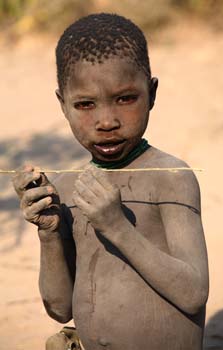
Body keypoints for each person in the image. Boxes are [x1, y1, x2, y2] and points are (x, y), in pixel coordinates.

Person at [12, 13, 209, 350]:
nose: (106, 121)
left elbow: (193, 294)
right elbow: (60, 309)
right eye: (85, 104)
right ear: (63, 105)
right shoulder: (69, 188)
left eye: (125, 98)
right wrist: (48, 233)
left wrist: (116, 227)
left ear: (152, 93)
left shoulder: (171, 178)